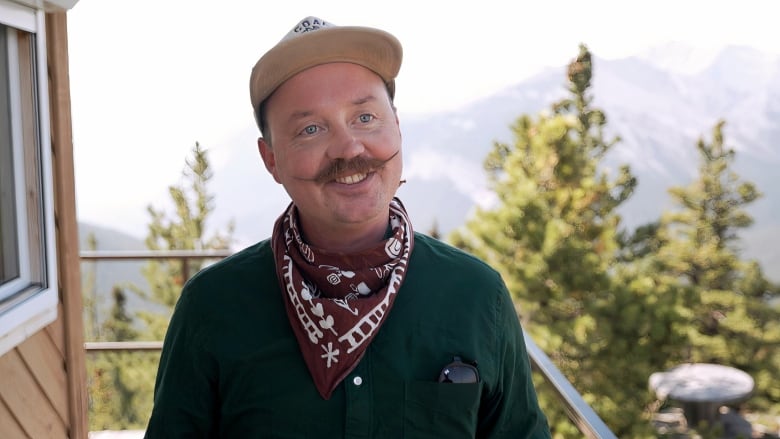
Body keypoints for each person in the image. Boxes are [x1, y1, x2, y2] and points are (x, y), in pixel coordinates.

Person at [144, 16, 551, 438]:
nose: (348, 147)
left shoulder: (476, 295)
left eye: (365, 118)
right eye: (310, 129)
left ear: (397, 125)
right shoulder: (214, 307)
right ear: (271, 160)